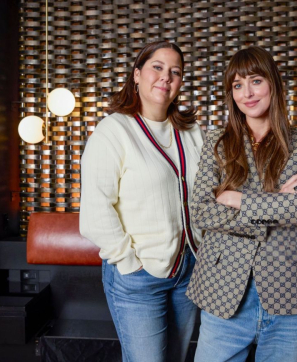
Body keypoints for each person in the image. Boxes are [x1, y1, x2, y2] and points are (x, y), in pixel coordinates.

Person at [186, 46, 297, 362]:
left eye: (256, 81)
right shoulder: (217, 142)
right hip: (224, 292)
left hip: (290, 293)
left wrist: (237, 199)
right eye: (237, 85)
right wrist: (279, 202)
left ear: (273, 84)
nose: (246, 93)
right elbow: (203, 210)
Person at [80, 41, 204, 362]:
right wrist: (129, 264)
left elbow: (210, 191)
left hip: (188, 271)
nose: (166, 77)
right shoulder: (113, 131)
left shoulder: (191, 132)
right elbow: (95, 214)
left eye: (175, 72)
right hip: (139, 276)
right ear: (137, 74)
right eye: (157, 67)